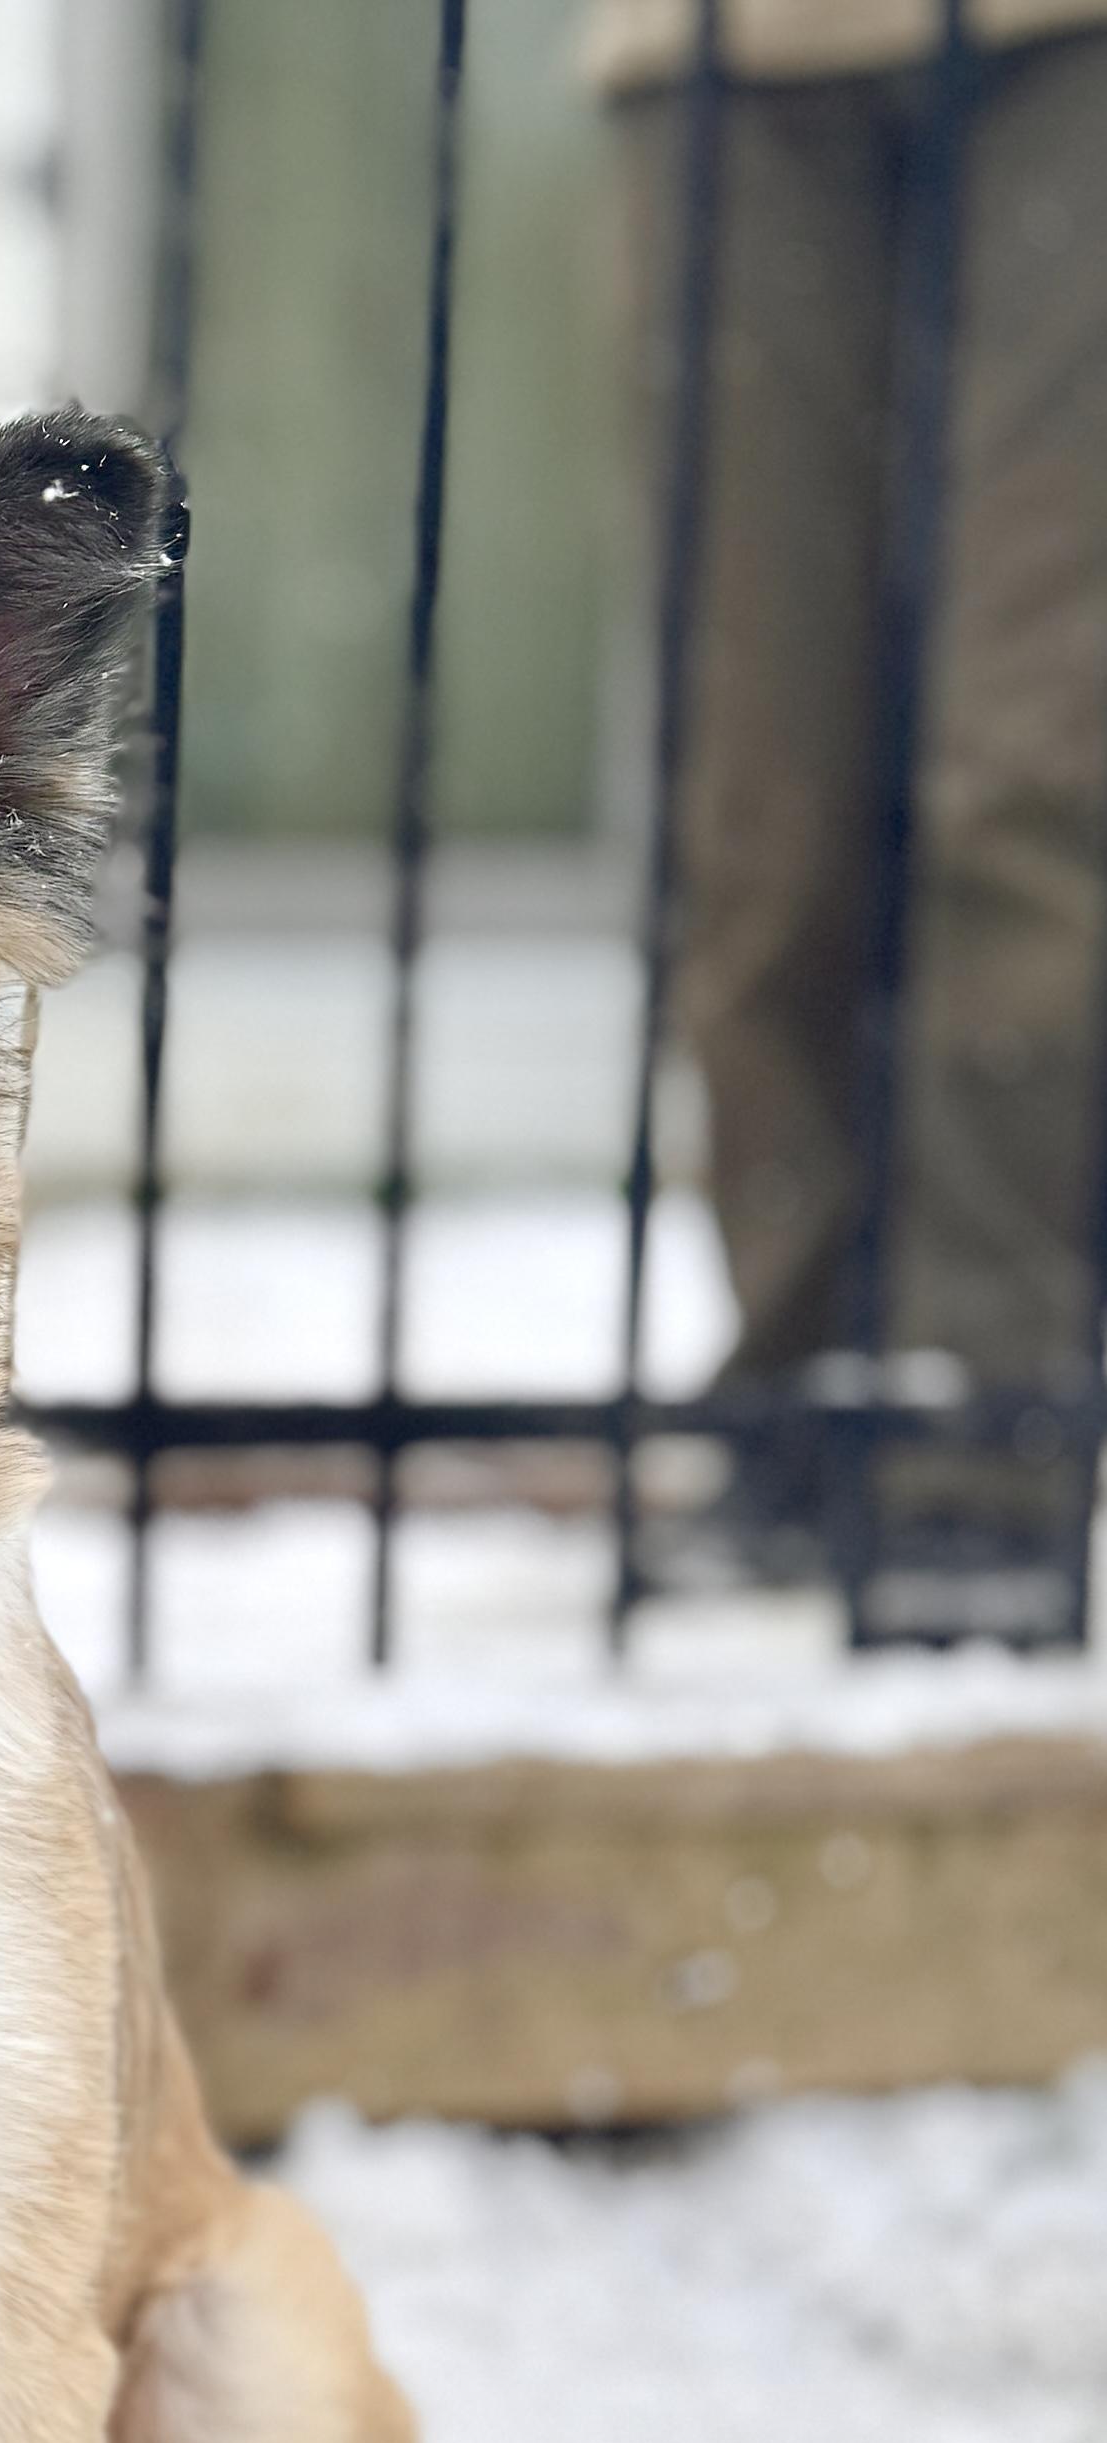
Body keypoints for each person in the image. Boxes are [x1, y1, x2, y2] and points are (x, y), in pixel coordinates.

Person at [595, 0, 1107, 1638]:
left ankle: (984, 1421)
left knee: (1028, 764)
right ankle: (798, 1396)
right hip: (719, 54)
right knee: (761, 801)